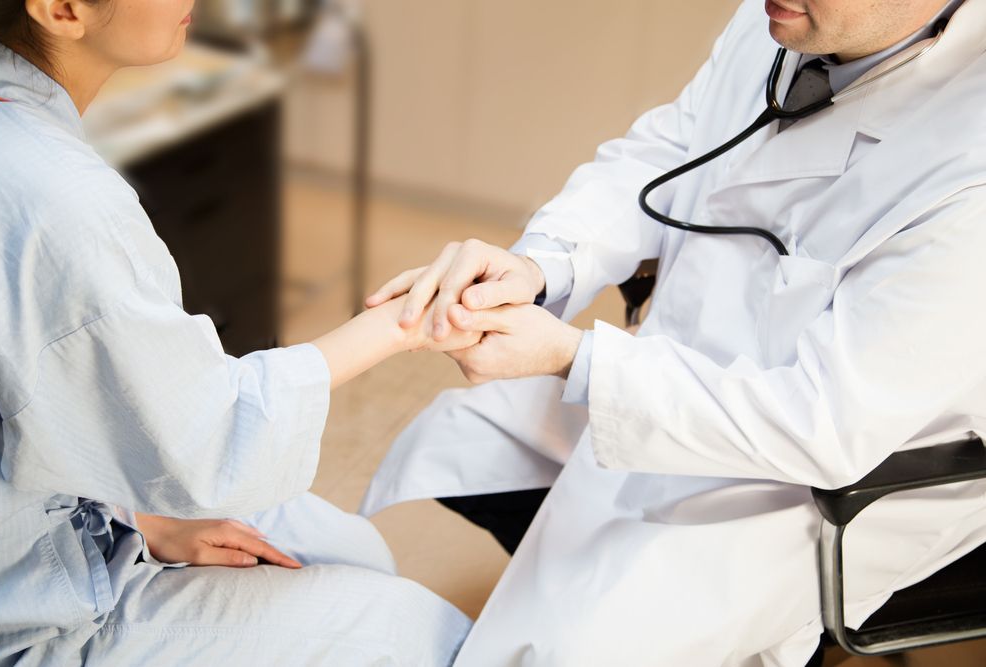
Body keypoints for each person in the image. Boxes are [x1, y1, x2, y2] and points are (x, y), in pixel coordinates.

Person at [361, 0, 986, 664]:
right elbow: (670, 150)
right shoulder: (785, 17)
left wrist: (579, 361)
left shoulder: (967, 163)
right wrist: (541, 265)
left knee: (578, 644)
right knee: (466, 436)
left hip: (831, 474)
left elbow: (826, 420)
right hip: (692, 364)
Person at [0, 1, 479, 664]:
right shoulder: (64, 203)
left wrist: (141, 517)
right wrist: (399, 323)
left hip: (39, 514)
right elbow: (206, 441)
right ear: (63, 10)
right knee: (420, 633)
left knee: (353, 548)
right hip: (30, 614)